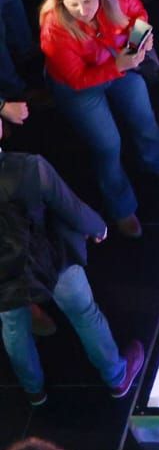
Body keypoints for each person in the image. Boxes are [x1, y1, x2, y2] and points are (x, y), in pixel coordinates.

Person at [0, 147, 147, 407]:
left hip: (4, 275)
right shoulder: (30, 167)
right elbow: (70, 207)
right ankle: (116, 377)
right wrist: (98, 227)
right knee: (84, 313)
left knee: (14, 328)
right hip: (52, 258)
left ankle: (34, 389)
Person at [37, 0, 159, 239]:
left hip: (116, 64)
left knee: (144, 118)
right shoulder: (54, 28)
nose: (82, 10)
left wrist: (138, 46)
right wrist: (120, 65)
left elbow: (139, 16)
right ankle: (121, 207)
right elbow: (76, 79)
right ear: (61, 1)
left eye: (88, 1)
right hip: (80, 88)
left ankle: (157, 163)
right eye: (73, 4)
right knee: (108, 145)